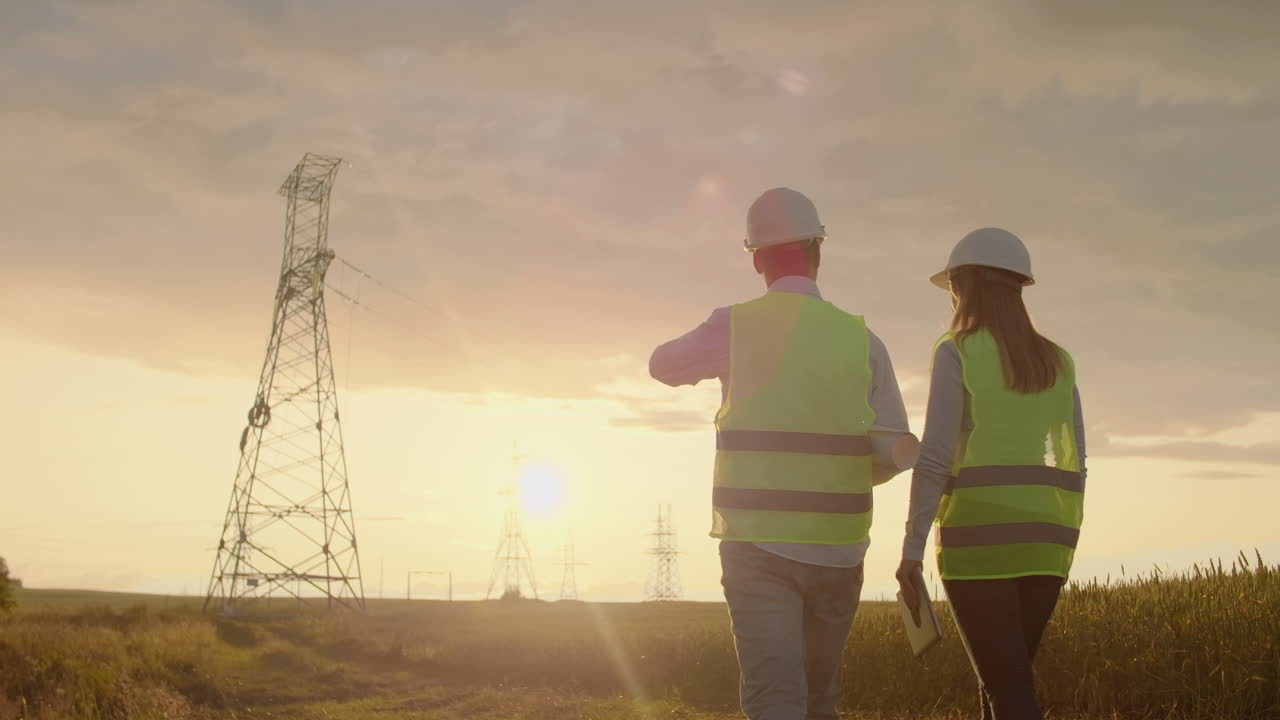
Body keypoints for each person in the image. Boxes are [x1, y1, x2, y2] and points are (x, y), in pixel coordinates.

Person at [650, 188, 918, 720]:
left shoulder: (736, 326)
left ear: (755, 259)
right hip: (839, 548)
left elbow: (663, 365)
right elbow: (892, 451)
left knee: (776, 702)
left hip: (757, 544)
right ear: (819, 249)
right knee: (820, 703)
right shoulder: (863, 340)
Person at [896, 228, 1087, 720]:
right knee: (1003, 679)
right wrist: (1065, 532)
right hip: (1049, 539)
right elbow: (1076, 459)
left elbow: (936, 456)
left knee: (1008, 686)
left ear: (967, 284)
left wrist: (912, 547)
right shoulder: (1059, 362)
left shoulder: (956, 350)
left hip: (979, 540)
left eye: (954, 285)